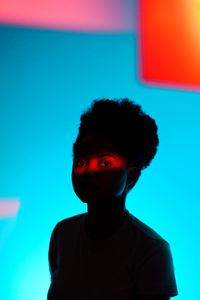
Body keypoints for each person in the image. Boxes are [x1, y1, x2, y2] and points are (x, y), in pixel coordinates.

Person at [47, 98, 178, 300]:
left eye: (105, 163)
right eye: (81, 161)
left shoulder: (151, 250)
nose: (88, 172)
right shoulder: (62, 234)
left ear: (131, 175)